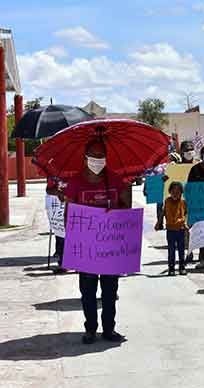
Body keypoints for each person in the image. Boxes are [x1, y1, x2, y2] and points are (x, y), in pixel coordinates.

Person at [64, 137, 130, 345]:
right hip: (87, 248)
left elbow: (126, 209)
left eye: (101, 155)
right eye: (93, 155)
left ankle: (109, 329)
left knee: (110, 292)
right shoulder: (75, 182)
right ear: (85, 158)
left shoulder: (115, 179)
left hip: (109, 247)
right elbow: (69, 214)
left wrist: (120, 203)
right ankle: (90, 329)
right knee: (88, 292)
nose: (97, 159)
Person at [157, 181, 188, 276]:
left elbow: (185, 213)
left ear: (181, 193)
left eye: (178, 192)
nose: (175, 194)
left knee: (181, 250)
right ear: (170, 192)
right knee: (171, 250)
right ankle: (171, 268)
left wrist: (185, 223)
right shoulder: (167, 201)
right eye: (173, 192)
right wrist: (159, 223)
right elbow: (164, 213)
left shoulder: (183, 202)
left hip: (181, 229)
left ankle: (182, 267)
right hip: (170, 229)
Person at [46, 176, 67, 274]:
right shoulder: (54, 172)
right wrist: (58, 192)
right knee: (61, 238)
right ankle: (63, 264)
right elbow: (48, 190)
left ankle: (78, 264)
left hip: (75, 205)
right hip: (59, 208)